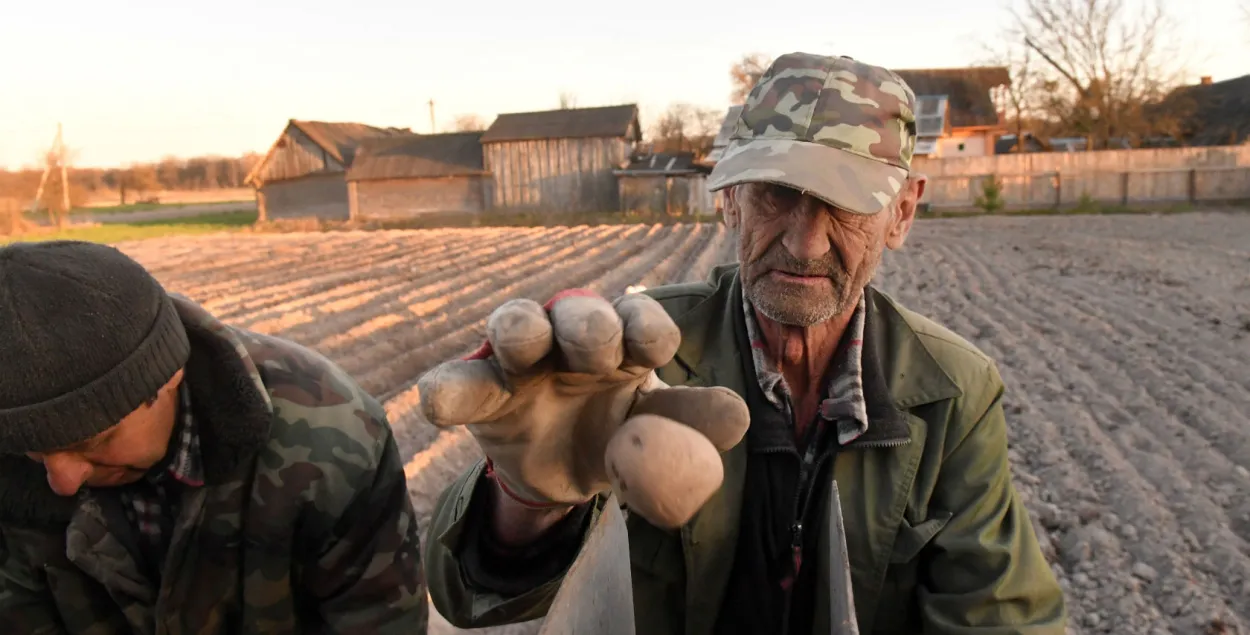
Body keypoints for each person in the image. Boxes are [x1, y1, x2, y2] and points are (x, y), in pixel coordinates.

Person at [419, 52, 1067, 634]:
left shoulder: (951, 393)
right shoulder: (637, 361)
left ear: (901, 212)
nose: (803, 242)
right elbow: (468, 597)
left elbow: (999, 614)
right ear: (730, 200)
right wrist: (529, 500)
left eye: (845, 204)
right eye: (777, 194)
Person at [0, 240, 428, 634]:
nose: (62, 481)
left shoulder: (330, 440)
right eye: (36, 452)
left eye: (93, 442)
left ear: (168, 376)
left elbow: (379, 621)